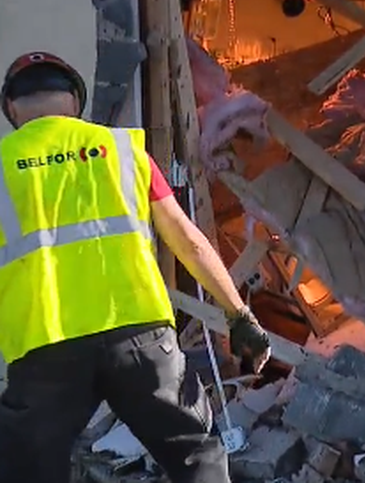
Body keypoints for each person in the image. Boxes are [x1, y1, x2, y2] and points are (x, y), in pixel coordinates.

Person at [0, 52, 272, 483]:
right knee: (197, 457)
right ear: (74, 100)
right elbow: (187, 239)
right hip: (142, 342)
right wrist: (239, 315)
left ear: (12, 109)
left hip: (45, 352)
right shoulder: (123, 152)